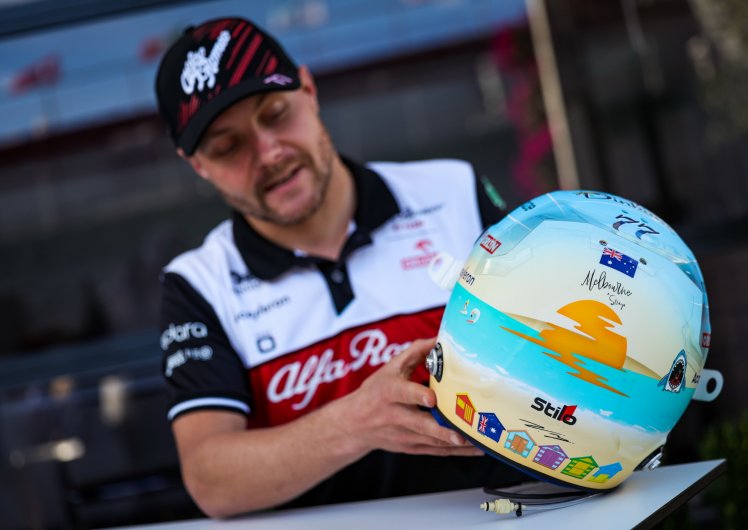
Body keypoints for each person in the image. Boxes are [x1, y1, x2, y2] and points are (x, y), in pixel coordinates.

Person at [155, 16, 528, 519]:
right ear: (197, 165)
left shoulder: (452, 191)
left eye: (275, 114)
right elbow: (211, 479)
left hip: (505, 515)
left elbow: (553, 341)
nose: (269, 152)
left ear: (309, 91)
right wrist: (356, 423)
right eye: (228, 146)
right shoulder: (198, 283)